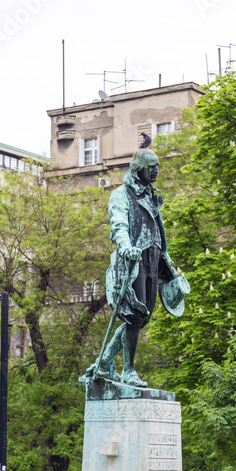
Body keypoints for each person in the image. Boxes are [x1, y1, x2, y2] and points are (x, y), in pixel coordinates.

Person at [87, 148, 188, 387]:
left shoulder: (152, 195)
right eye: (151, 166)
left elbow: (158, 231)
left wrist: (168, 262)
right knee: (135, 314)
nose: (156, 171)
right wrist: (126, 246)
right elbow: (118, 224)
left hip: (154, 260)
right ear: (138, 167)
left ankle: (104, 361)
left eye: (157, 166)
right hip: (133, 260)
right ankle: (128, 370)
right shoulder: (121, 194)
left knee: (142, 318)